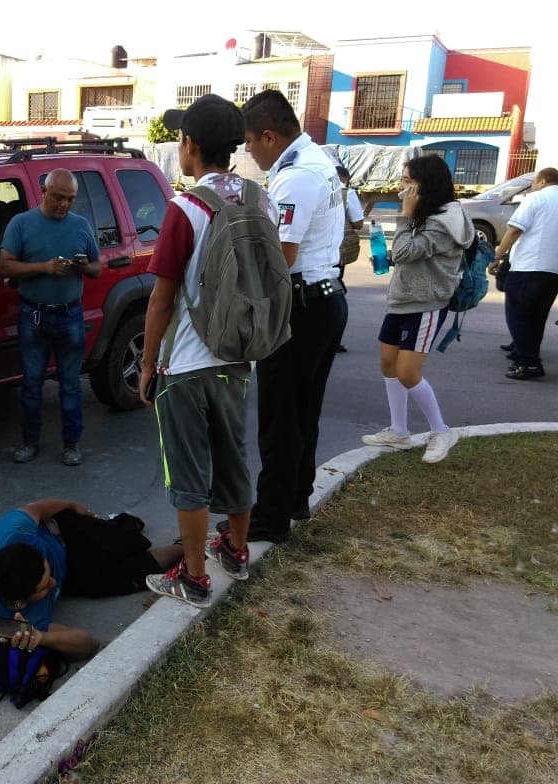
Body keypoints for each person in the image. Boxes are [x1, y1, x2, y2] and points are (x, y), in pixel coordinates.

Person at [137, 95, 278, 608]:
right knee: (234, 457)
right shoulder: (260, 200)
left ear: (190, 145)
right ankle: (236, 552)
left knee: (188, 471)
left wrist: (147, 363)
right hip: (237, 358)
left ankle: (193, 577)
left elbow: (162, 297)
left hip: (186, 364)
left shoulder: (186, 207)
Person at [241, 89, 348, 543]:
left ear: (269, 136)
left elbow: (279, 257)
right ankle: (296, 497)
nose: (248, 150)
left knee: (279, 417)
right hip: (322, 300)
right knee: (303, 410)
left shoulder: (296, 176)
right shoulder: (318, 160)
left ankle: (270, 517)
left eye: (250, 141)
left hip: (299, 308)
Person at [361, 156, 473, 463]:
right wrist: (392, 257)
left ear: (426, 184)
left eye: (408, 181)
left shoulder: (444, 222)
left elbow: (406, 251)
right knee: (388, 363)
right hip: (402, 300)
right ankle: (399, 431)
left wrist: (404, 216)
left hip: (426, 304)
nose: (402, 187)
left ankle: (441, 431)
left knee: (408, 372)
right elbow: (409, 255)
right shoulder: (426, 213)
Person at [0, 498, 182, 659]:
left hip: (64, 533)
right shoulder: (13, 622)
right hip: (72, 575)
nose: (52, 583)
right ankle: (183, 547)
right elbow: (89, 644)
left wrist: (72, 505)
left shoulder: (10, 532)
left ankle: (122, 525)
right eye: (45, 587)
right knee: (129, 576)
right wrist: (42, 638)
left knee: (127, 542)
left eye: (48, 573)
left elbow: (37, 508)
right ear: (22, 601)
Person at [0, 169, 102, 467]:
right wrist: (43, 268)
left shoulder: (81, 226)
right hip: (33, 315)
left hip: (70, 315)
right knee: (32, 384)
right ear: (44, 192)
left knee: (70, 384)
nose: (64, 204)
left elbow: (97, 268)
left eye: (70, 199)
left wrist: (84, 267)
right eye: (58, 197)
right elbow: (5, 266)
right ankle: (30, 441)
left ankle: (71, 444)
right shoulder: (21, 223)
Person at [490, 167, 558, 380]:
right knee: (537, 317)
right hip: (553, 271)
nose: (533, 186)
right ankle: (524, 353)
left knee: (518, 316)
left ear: (542, 181)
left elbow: (515, 229)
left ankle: (528, 363)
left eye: (535, 182)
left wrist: (496, 256)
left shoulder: (535, 198)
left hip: (528, 267)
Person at [334, 165, 365, 352]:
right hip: (337, 253)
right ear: (346, 179)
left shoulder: (314, 189)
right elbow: (358, 223)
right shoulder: (347, 193)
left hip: (311, 253)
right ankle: (332, 340)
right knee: (335, 293)